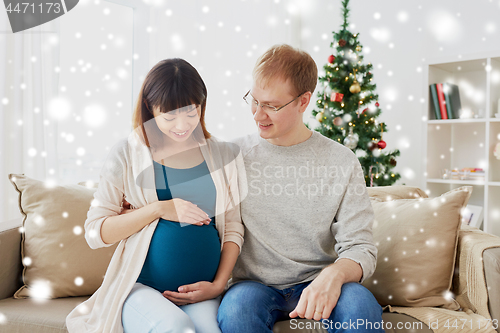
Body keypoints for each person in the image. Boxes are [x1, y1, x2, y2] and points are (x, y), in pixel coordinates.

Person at [66, 58, 245, 333]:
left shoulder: (221, 153)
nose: (182, 124)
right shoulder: (127, 154)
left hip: (200, 292)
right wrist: (159, 209)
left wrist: (218, 286)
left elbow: (233, 228)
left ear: (202, 104)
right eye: (169, 116)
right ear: (150, 107)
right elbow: (95, 233)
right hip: (141, 288)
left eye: (190, 112)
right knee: (176, 327)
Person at [216, 44, 384, 333]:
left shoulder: (341, 161)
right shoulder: (232, 156)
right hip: (254, 288)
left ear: (303, 101)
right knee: (236, 312)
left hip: (319, 281)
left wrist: (333, 276)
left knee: (360, 309)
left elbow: (361, 248)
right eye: (253, 101)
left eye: (271, 105)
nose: (258, 115)